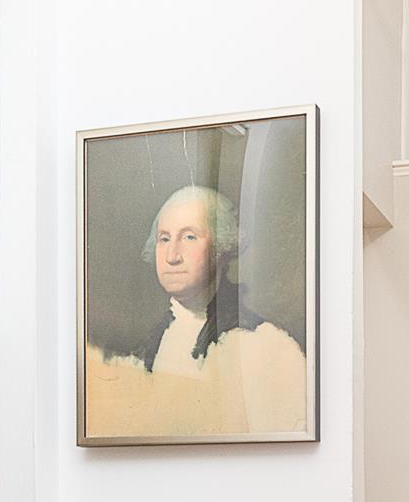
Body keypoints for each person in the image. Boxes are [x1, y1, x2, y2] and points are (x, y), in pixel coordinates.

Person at [86, 184, 308, 438]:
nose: (172, 256)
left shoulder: (265, 345)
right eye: (164, 239)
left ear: (222, 246)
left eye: (189, 237)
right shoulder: (145, 349)